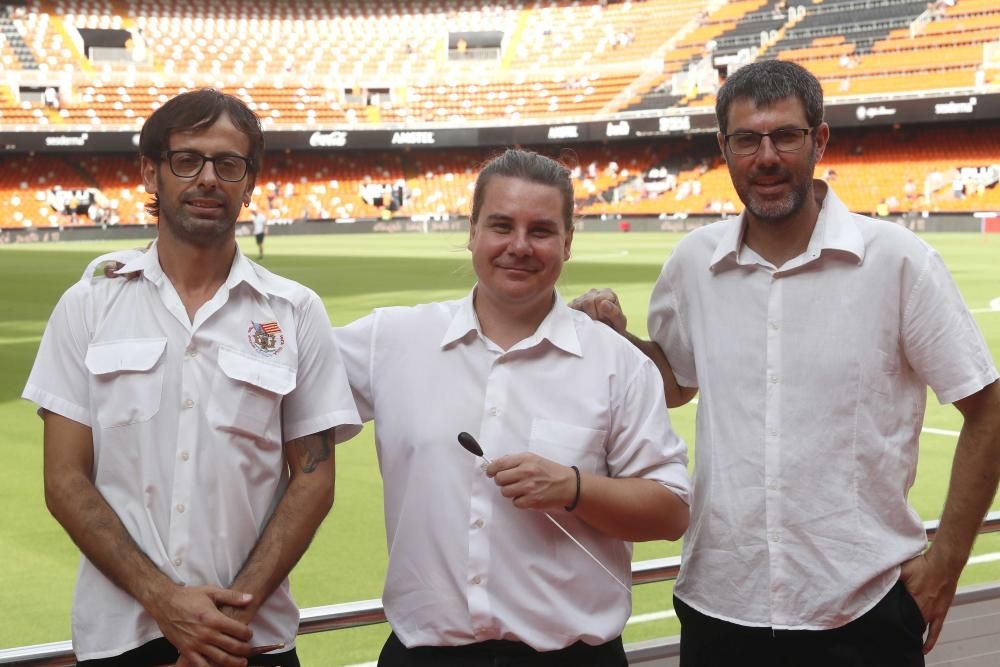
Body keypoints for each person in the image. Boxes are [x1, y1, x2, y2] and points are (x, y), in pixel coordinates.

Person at [572, 60, 1000, 666]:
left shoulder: (898, 262)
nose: (765, 157)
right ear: (724, 149)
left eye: (786, 136)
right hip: (721, 606)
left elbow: (988, 409)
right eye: (746, 139)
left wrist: (946, 565)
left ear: (819, 139)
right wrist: (620, 340)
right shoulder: (693, 263)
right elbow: (674, 383)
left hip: (863, 610)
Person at [22, 89, 362, 667]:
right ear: (150, 173)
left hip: (251, 640)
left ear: (249, 183)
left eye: (229, 164)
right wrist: (164, 600)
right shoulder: (88, 304)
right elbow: (64, 479)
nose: (208, 178)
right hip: (121, 639)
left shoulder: (296, 311)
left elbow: (313, 482)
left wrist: (228, 617)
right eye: (188, 160)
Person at [335, 149, 691, 667]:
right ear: (472, 231)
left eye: (542, 231)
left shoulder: (617, 362)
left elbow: (671, 510)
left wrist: (574, 488)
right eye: (501, 225)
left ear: (568, 241)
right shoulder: (390, 339)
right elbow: (275, 396)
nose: (519, 247)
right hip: (426, 655)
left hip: (570, 658)